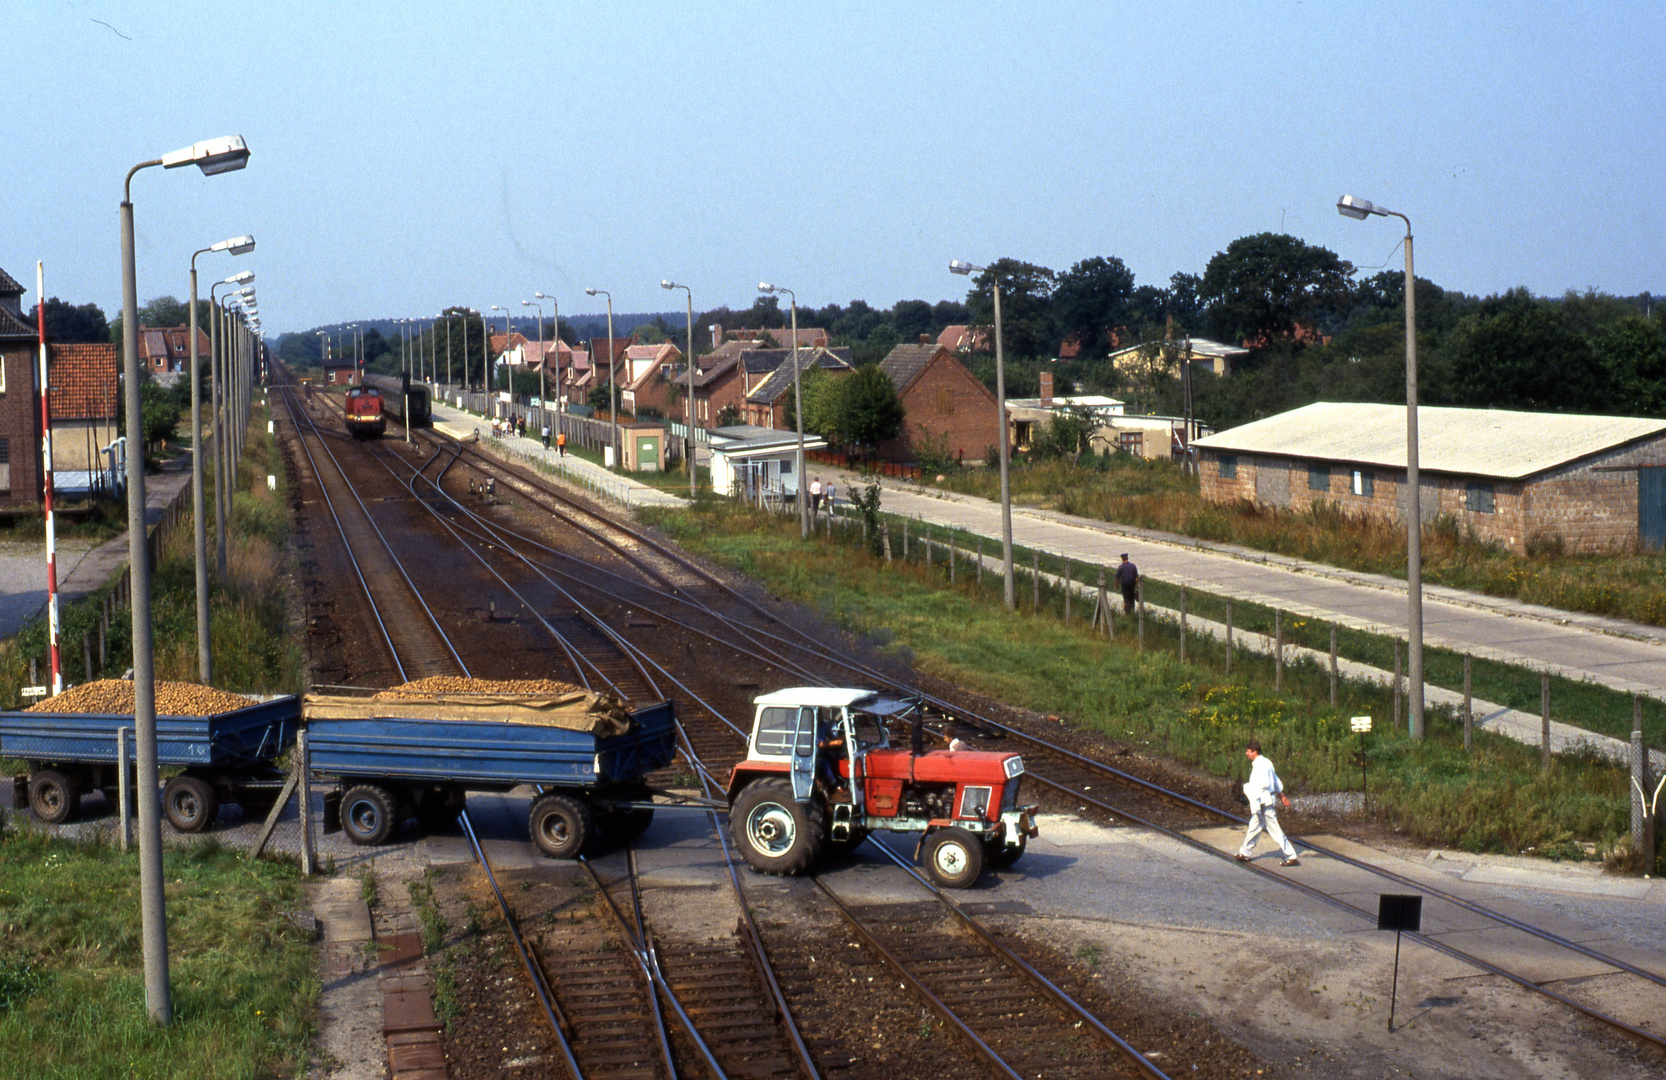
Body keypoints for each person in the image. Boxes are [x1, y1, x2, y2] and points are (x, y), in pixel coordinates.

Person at [1235, 740, 1299, 866]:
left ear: (1255, 751)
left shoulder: (1260, 766)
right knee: (1254, 827)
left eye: (1248, 751)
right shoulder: (1267, 762)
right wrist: (1282, 795)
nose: (1246, 753)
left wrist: (1252, 797)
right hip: (1263, 800)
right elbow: (1275, 780)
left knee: (1274, 828)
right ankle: (1245, 853)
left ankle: (1291, 855)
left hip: (1264, 801)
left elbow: (1264, 784)